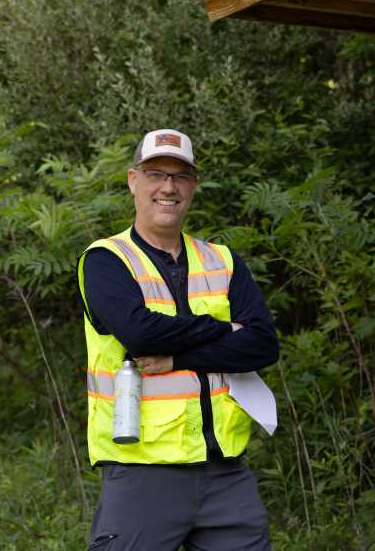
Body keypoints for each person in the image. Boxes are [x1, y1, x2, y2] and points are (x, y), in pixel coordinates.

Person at [77, 128, 279, 550]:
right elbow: (138, 332)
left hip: (225, 473)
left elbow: (263, 344)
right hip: (143, 471)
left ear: (193, 186)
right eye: (156, 174)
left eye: (181, 176)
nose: (168, 187)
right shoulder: (105, 260)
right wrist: (224, 330)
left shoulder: (222, 260)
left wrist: (176, 358)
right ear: (133, 180)